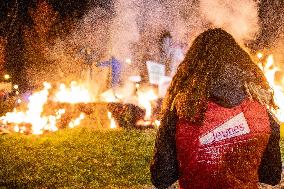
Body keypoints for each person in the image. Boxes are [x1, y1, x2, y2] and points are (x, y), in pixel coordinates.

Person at [150, 28, 282, 189]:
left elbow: (161, 177)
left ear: (192, 68)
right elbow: (272, 175)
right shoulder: (261, 111)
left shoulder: (180, 110)